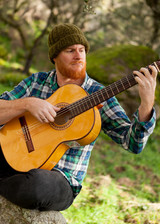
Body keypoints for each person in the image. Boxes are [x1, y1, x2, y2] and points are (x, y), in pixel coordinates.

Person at [0, 23, 157, 211]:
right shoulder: (37, 82)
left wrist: (146, 104)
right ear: (55, 56)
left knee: (37, 186)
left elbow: (132, 143)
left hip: (59, 179)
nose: (78, 55)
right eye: (70, 50)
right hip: (14, 155)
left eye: (82, 50)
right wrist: (28, 103)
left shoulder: (97, 93)